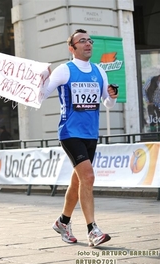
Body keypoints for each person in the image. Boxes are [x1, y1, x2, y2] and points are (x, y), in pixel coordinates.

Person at [43, 29, 118, 247]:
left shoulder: (99, 71)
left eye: (90, 41)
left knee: (78, 180)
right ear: (72, 48)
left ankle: (63, 221)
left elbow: (107, 103)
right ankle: (93, 230)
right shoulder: (64, 70)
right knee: (88, 177)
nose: (88, 44)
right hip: (69, 132)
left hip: (90, 134)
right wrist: (42, 78)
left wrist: (112, 96)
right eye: (82, 41)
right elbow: (43, 92)